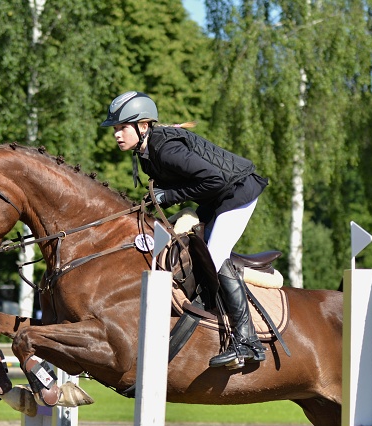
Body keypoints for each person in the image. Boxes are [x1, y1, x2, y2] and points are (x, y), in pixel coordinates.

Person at [101, 91, 269, 369]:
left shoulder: (166, 150)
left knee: (215, 255)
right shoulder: (146, 153)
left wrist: (168, 196)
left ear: (142, 126)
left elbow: (214, 180)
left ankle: (247, 341)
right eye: (115, 129)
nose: (117, 135)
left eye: (121, 127)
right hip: (217, 197)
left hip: (238, 192)